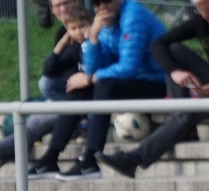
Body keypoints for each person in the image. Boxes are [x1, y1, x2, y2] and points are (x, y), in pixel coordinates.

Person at [95, 0, 209, 178]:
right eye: (201, 11)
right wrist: (175, 71)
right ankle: (183, 121)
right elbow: (158, 44)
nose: (206, 15)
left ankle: (135, 159)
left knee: (187, 114)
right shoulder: (201, 20)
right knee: (174, 49)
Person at [28, 0, 168, 181]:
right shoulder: (106, 20)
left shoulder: (133, 16)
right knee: (78, 88)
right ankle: (50, 157)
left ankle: (90, 159)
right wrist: (93, 38)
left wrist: (89, 78)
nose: (102, 7)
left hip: (157, 81)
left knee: (103, 84)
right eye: (96, 3)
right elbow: (95, 67)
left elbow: (129, 67)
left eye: (106, 0)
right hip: (131, 81)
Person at [0, 5, 92, 178]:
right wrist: (61, 45)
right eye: (73, 28)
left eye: (82, 26)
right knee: (43, 97)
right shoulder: (71, 42)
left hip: (85, 102)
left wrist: (88, 76)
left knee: (37, 119)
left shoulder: (92, 44)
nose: (78, 31)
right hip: (70, 98)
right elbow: (49, 70)